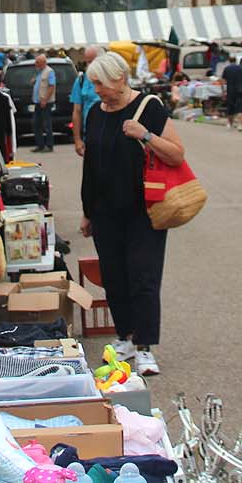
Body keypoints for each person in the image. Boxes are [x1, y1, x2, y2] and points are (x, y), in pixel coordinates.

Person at [78, 50, 185, 378]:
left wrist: (146, 135)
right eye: (94, 83)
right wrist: (87, 212)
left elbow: (177, 155)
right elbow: (90, 166)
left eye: (100, 83)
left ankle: (145, 346)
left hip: (144, 211)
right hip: (105, 211)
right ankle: (124, 336)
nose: (96, 90)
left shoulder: (149, 108)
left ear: (120, 78)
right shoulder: (96, 112)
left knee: (143, 277)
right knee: (114, 278)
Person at [70, 45, 104, 156]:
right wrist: (77, 140)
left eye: (92, 61)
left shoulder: (111, 79)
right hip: (90, 134)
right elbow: (77, 111)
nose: (89, 66)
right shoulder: (81, 81)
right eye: (87, 62)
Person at [30, 52, 57, 152]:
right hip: (37, 101)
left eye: (37, 62)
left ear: (43, 62)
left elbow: (51, 86)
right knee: (36, 123)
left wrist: (45, 99)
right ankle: (40, 145)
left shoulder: (49, 72)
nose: (35, 64)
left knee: (47, 124)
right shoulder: (39, 72)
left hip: (45, 102)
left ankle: (49, 145)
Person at [220, 52, 242, 131]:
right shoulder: (241, 68)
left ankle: (230, 123)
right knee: (240, 107)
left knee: (230, 107)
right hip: (240, 90)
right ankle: (240, 124)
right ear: (236, 60)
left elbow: (223, 81)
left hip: (230, 90)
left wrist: (223, 91)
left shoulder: (227, 69)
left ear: (229, 61)